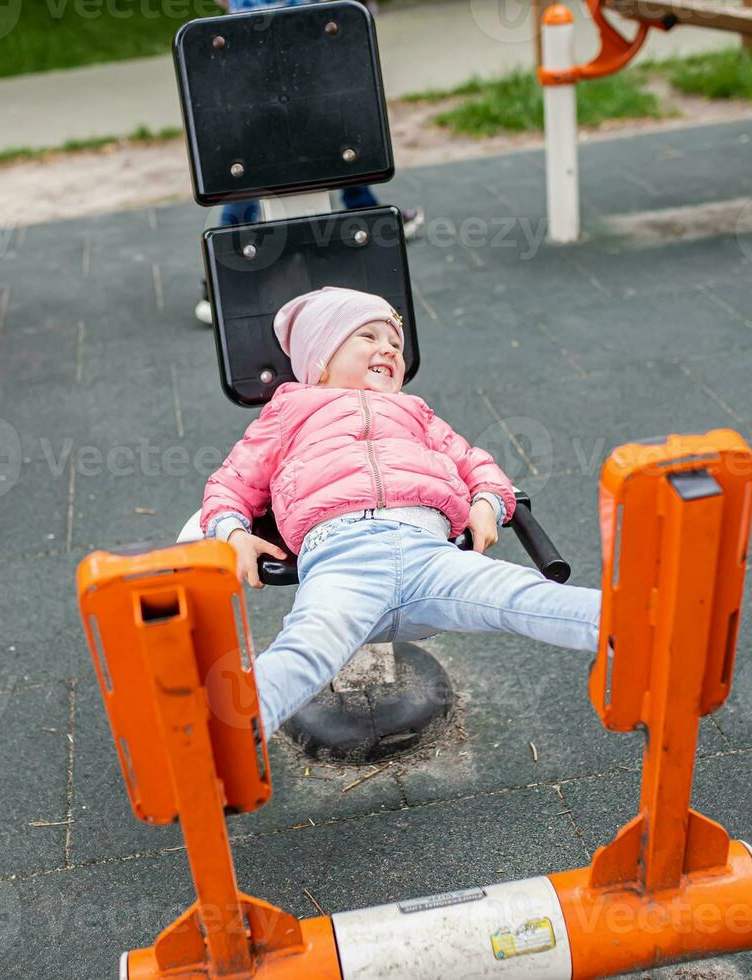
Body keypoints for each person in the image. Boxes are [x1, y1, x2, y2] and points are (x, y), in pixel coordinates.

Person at [202, 286, 601, 735]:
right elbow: (231, 483)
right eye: (368, 337)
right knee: (307, 647)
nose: (388, 349)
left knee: (523, 594)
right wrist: (232, 534)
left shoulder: (415, 412)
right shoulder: (289, 413)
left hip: (432, 555)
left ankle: (641, 631)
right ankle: (224, 741)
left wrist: (489, 501)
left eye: (395, 343)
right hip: (342, 555)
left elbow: (476, 463)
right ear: (320, 359)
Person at [192, 0, 424, 324]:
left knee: (326, 131)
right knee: (268, 153)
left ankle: (360, 206)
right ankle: (221, 276)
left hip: (267, 36)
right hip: (273, 36)